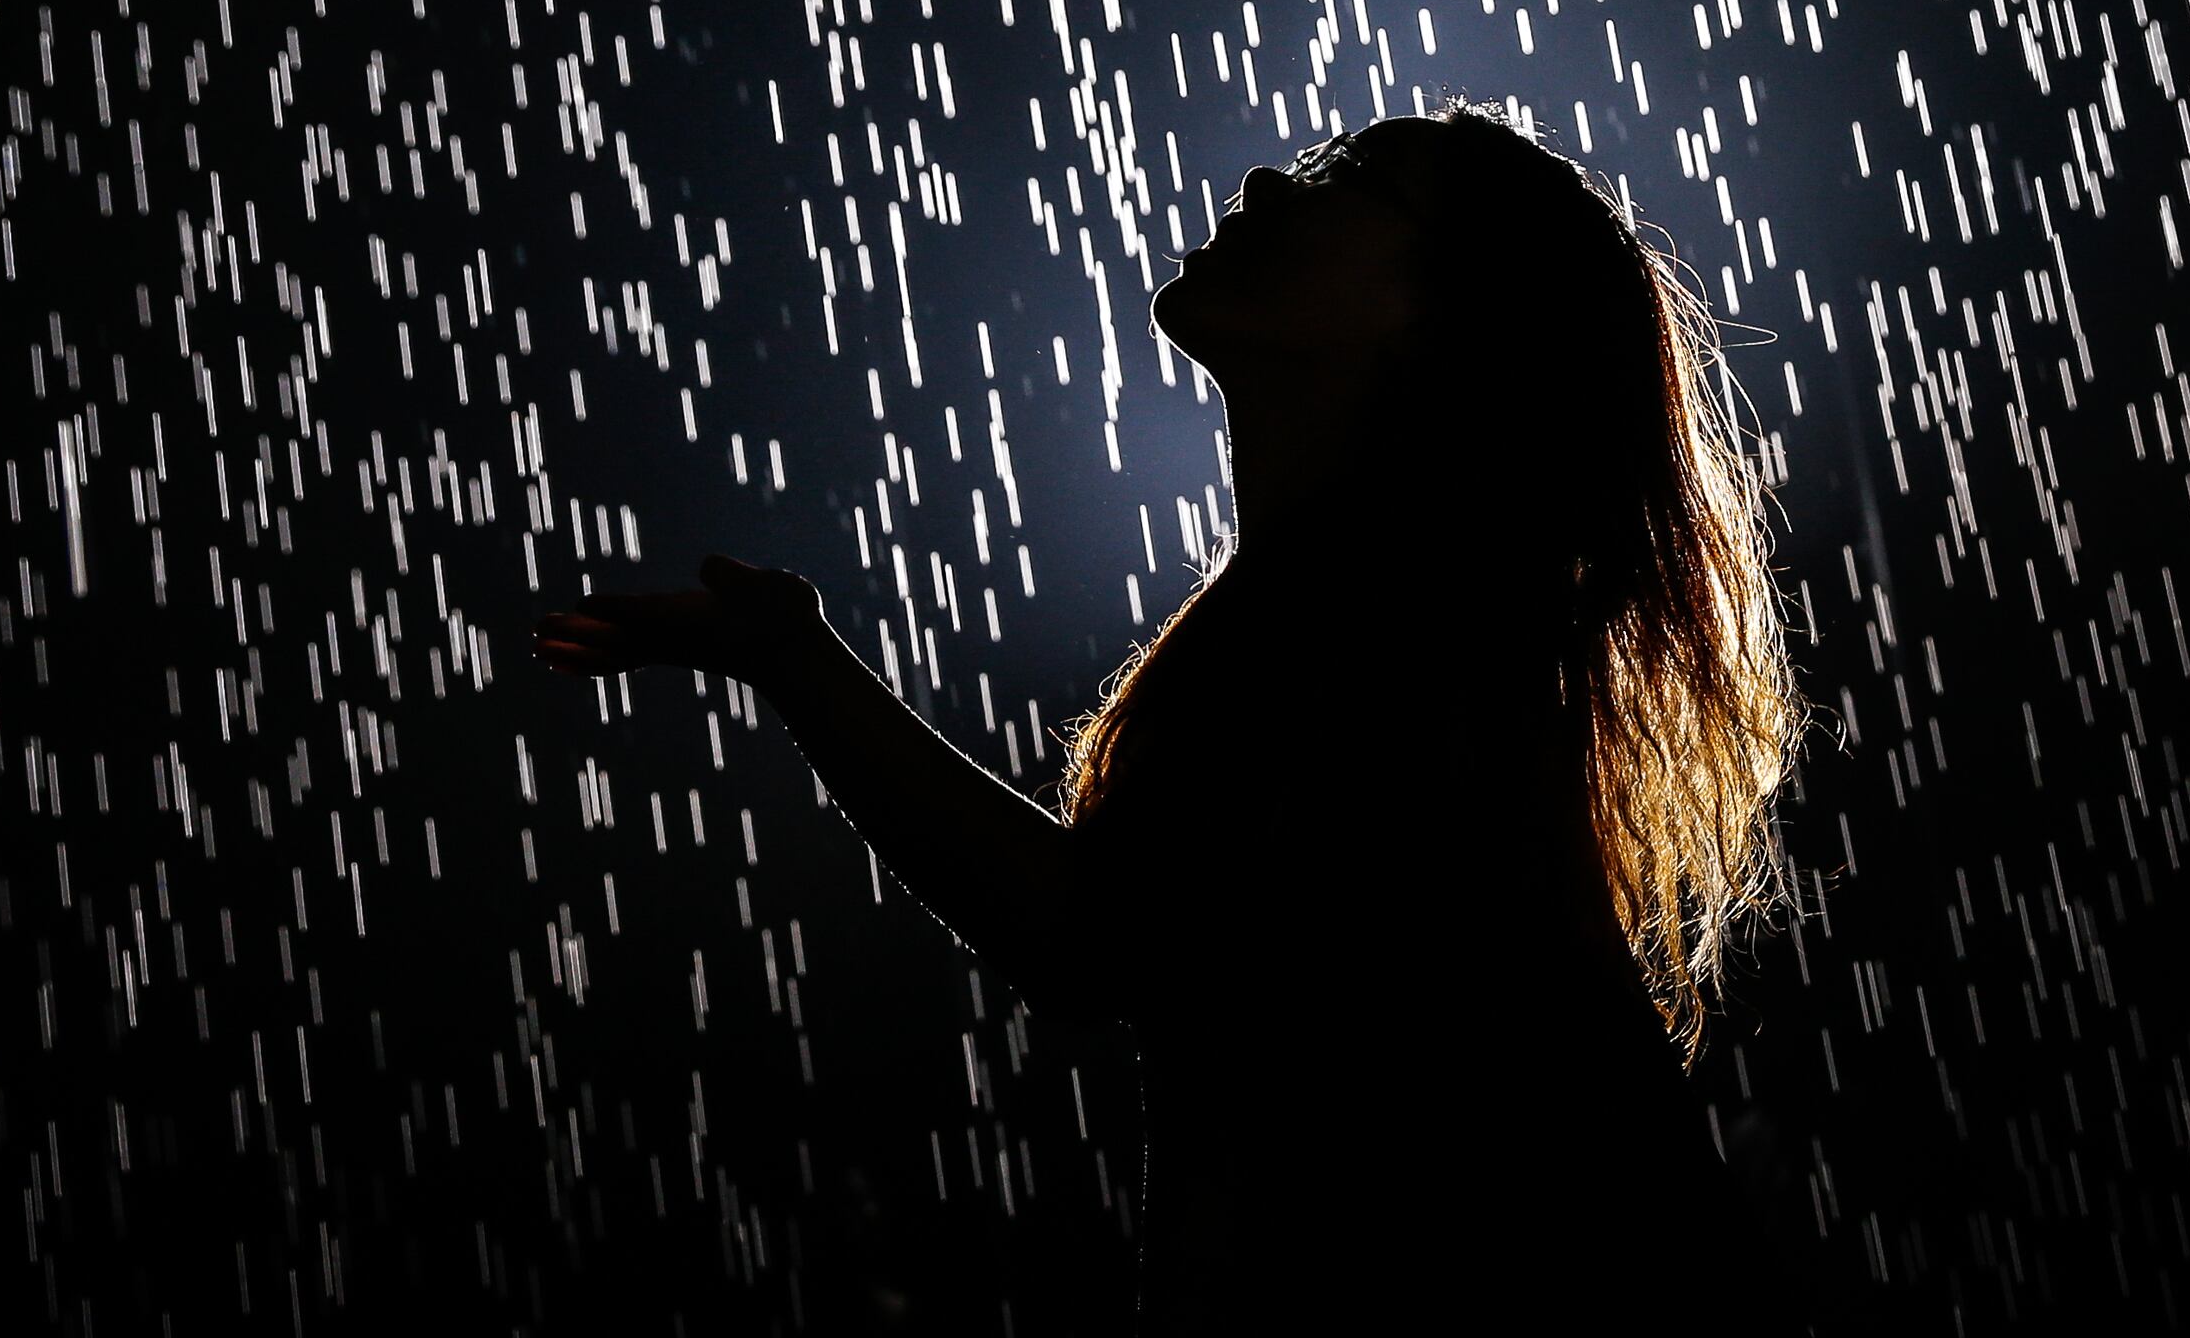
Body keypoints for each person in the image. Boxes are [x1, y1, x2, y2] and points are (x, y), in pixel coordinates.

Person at [535, 99, 1808, 1328]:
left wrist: (793, 662)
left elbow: (1092, 931)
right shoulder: (1369, 597)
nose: (1266, 183)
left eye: (1351, 183)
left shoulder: (1400, 605)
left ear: (1439, 316)